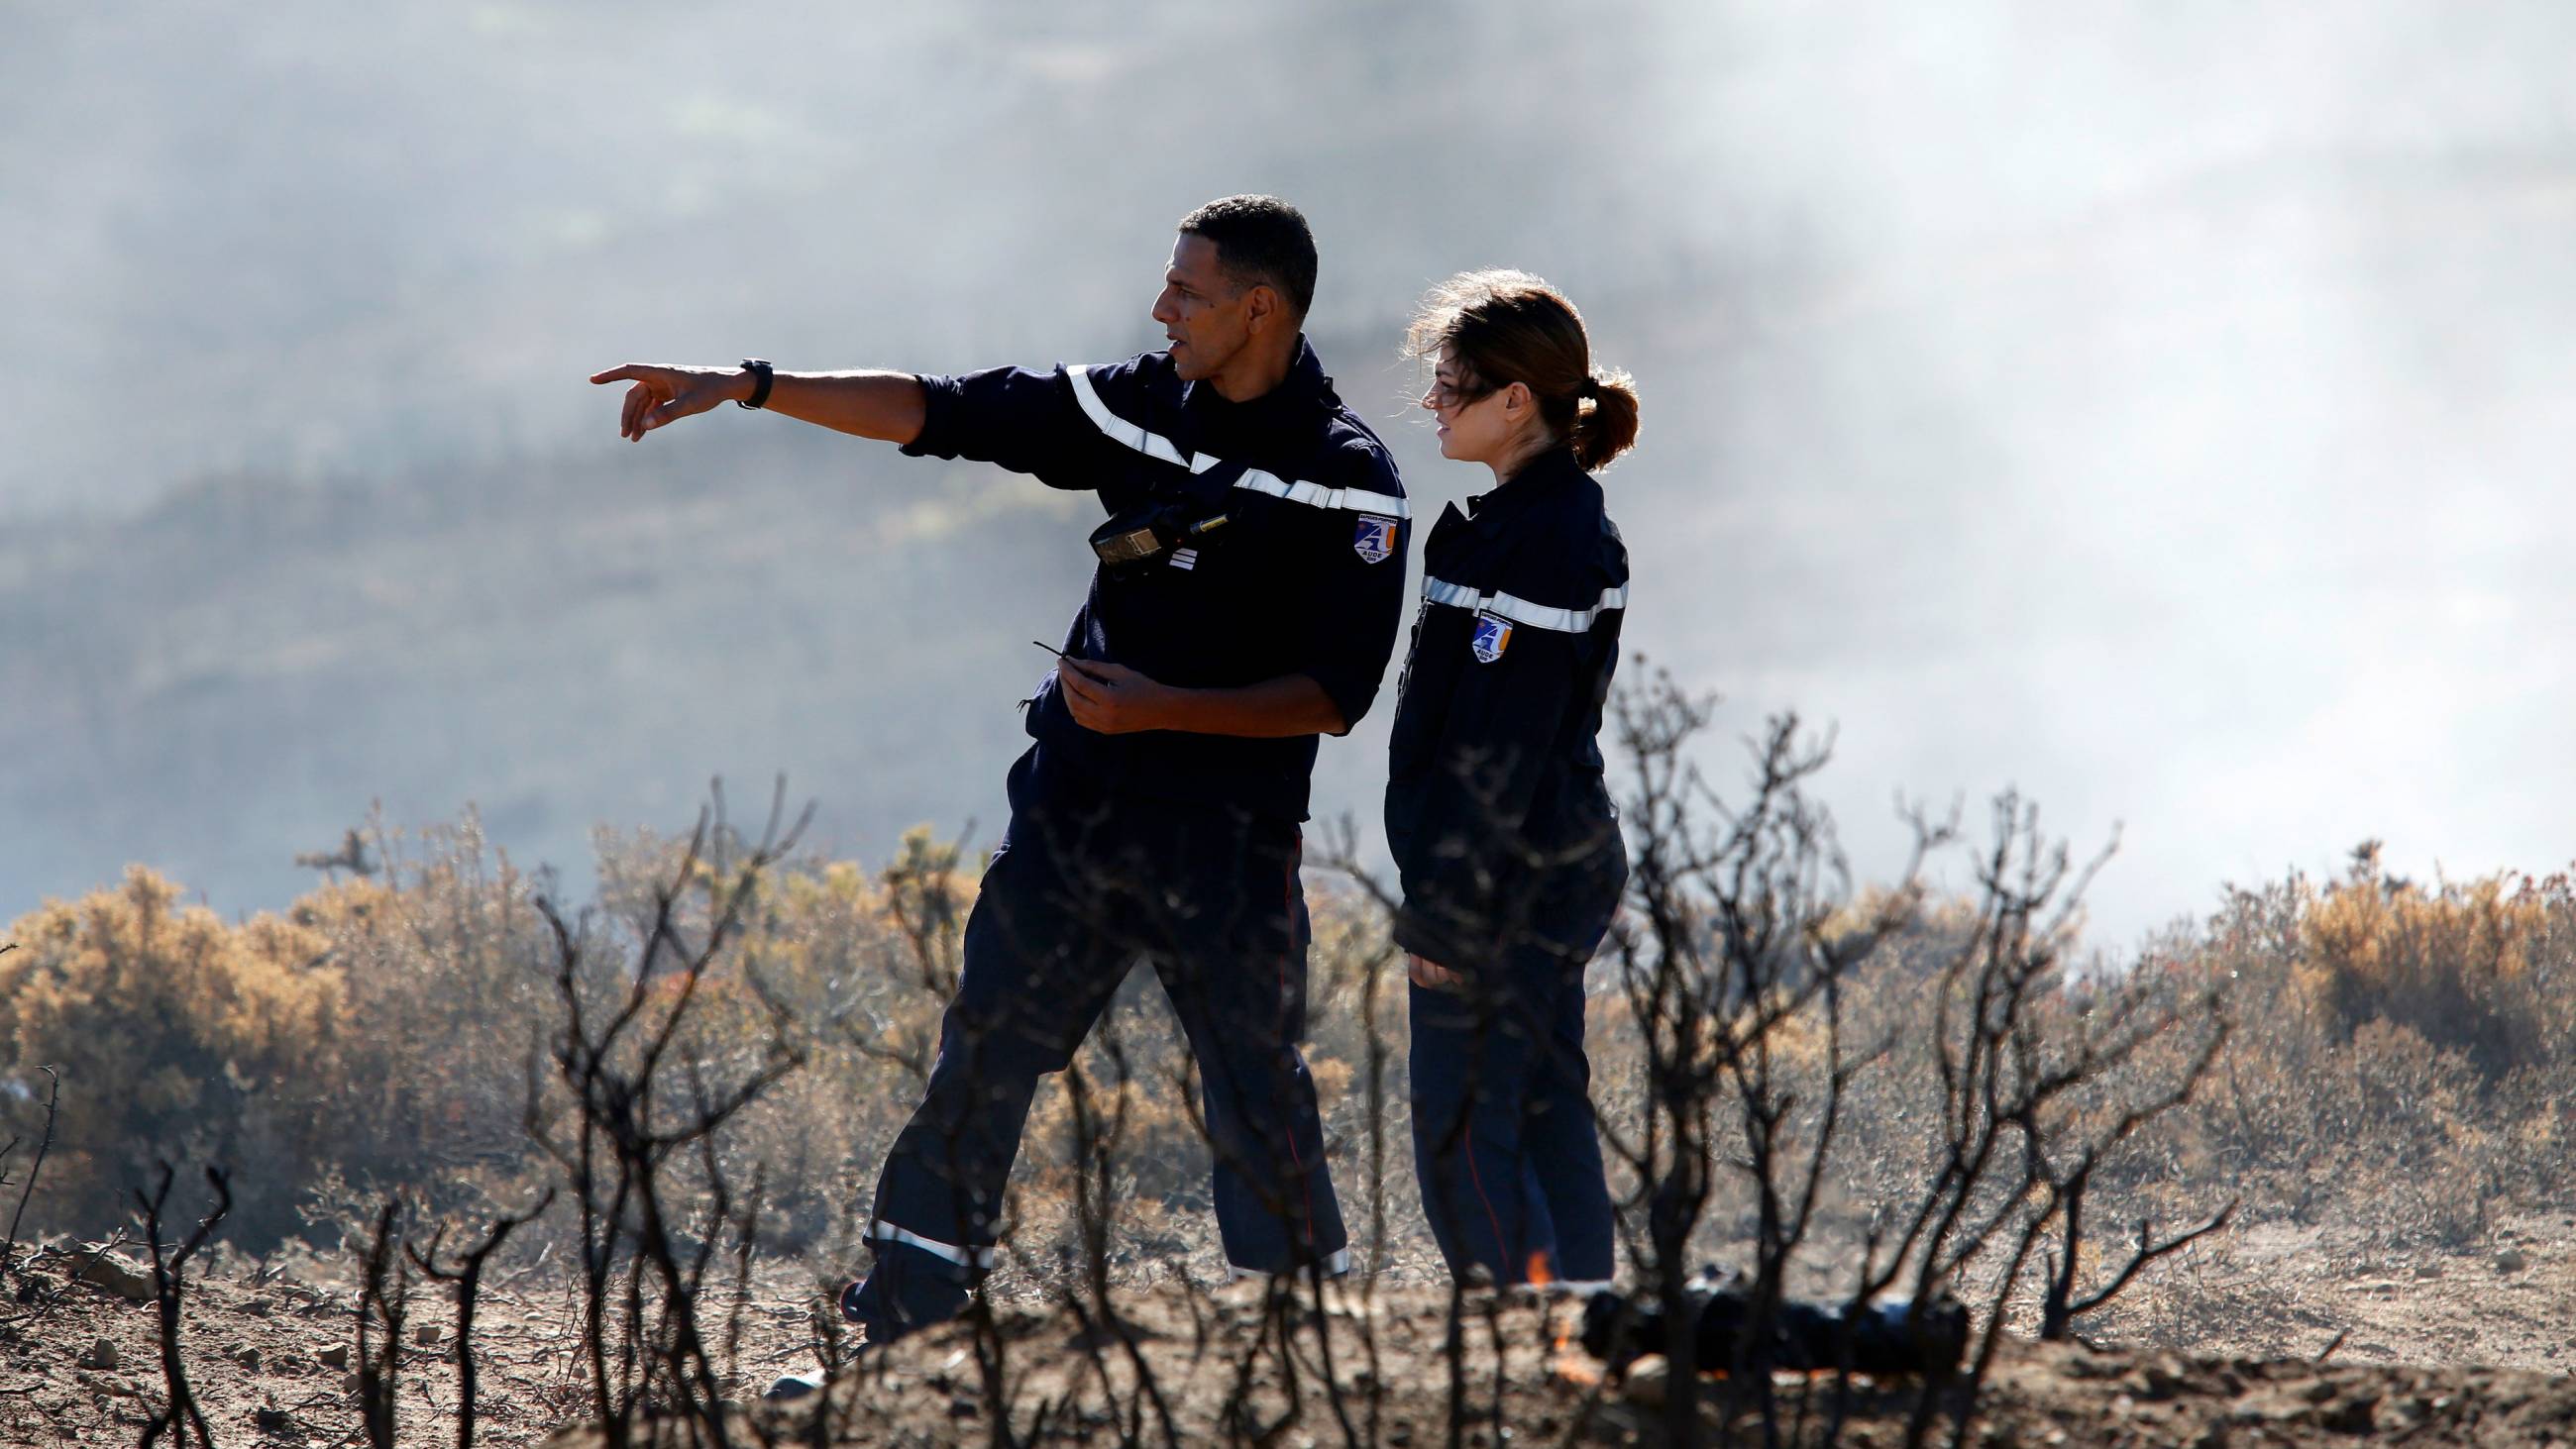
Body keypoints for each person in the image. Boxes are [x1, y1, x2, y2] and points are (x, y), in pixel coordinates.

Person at [590, 196, 1410, 1381]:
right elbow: (942, 409)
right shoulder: (1136, 405)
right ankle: (904, 1335)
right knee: (983, 1057)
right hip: (1071, 816)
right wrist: (749, 382)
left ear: (1258, 307)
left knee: (1252, 1082)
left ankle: (1311, 1353)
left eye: (1184, 291)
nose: (1159, 307)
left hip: (1225, 845)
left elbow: (1336, 692)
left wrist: (1157, 707)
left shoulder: (1349, 483)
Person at [1384, 270, 1638, 1292]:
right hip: (1538, 864)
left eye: (1449, 383)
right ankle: (1585, 1332)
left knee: (1460, 1130)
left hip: (1504, 879)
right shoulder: (1518, 523)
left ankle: (1524, 1344)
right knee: (1539, 1104)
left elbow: (1504, 742)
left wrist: (1447, 911)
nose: (1432, 403)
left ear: (1513, 399)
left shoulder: (1549, 540)